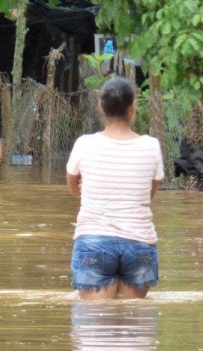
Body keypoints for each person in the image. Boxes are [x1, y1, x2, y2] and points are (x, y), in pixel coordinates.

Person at [66, 77, 164, 300]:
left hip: (94, 240)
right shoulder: (151, 146)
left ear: (100, 106)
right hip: (139, 242)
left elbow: (73, 187)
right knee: (134, 322)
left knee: (95, 323)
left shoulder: (84, 144)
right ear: (133, 107)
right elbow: (149, 192)